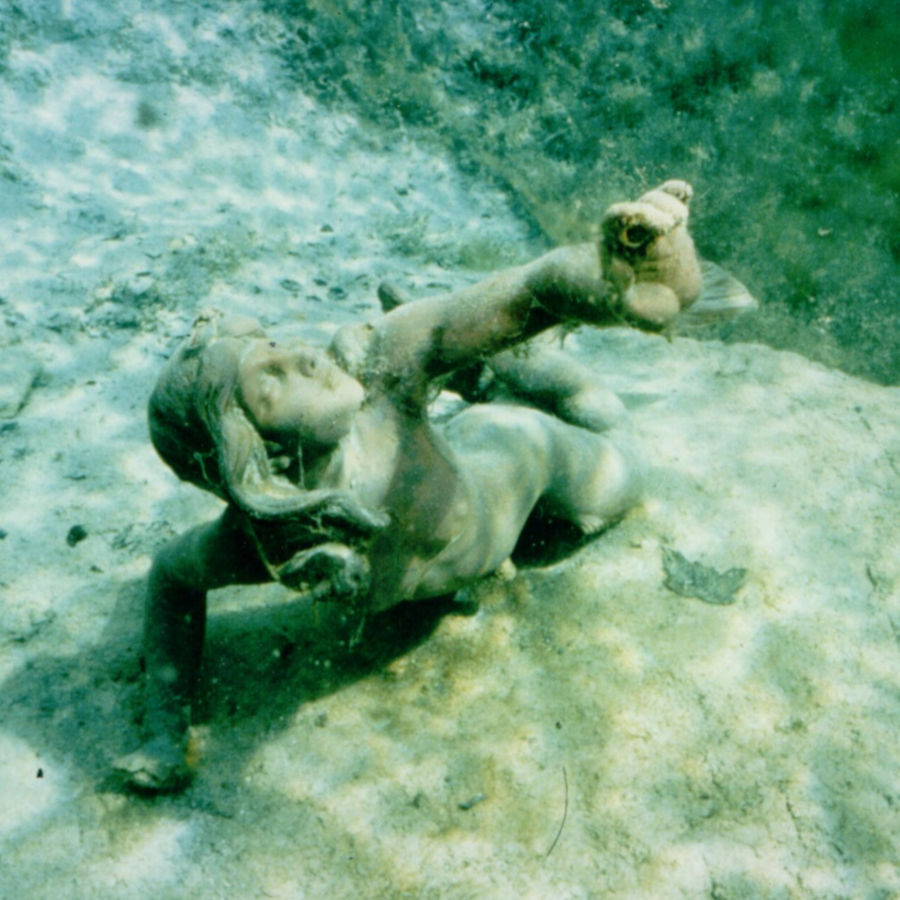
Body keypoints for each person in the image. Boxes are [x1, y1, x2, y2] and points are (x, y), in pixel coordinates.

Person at [114, 179, 704, 792]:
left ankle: (488, 368)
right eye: (272, 384)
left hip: (525, 452)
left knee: (613, 437)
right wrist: (164, 730)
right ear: (254, 458)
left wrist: (619, 277)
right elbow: (172, 576)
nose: (305, 358)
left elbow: (532, 290)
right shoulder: (271, 533)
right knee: (484, 389)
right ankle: (480, 373)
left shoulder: (387, 377)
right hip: (467, 449)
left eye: (278, 347)